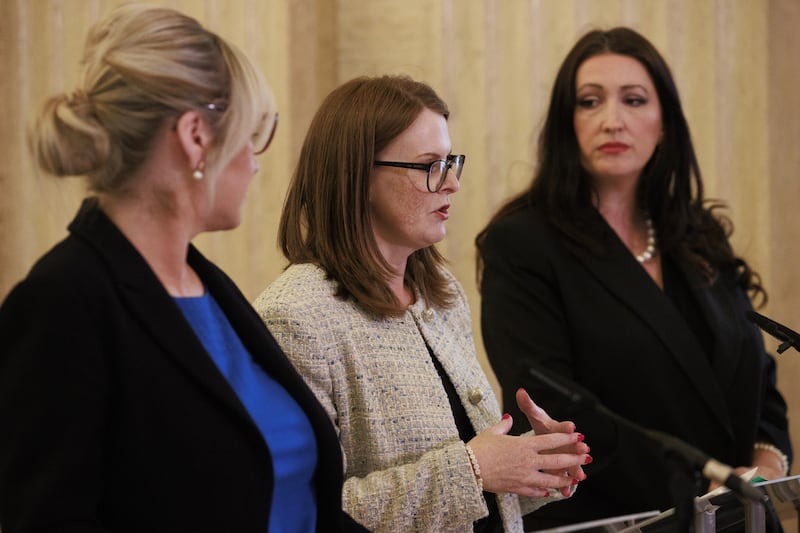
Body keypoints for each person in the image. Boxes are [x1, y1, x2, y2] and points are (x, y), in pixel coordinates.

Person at [0, 5, 366, 532]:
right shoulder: (62, 303)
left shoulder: (211, 288)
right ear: (196, 136)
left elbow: (305, 509)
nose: (256, 161)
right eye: (251, 134)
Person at [476, 26, 792, 530]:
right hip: (620, 520)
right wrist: (703, 489)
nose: (612, 120)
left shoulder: (698, 234)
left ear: (664, 122)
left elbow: (756, 375)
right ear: (567, 123)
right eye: (589, 101)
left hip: (737, 517)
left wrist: (768, 466)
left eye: (634, 99)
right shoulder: (522, 244)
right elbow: (554, 408)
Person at [253, 74, 591, 533]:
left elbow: (473, 498)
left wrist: (531, 466)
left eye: (452, 161)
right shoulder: (294, 317)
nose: (451, 182)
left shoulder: (441, 294)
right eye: (430, 164)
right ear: (358, 175)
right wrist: (472, 469)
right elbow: (299, 510)